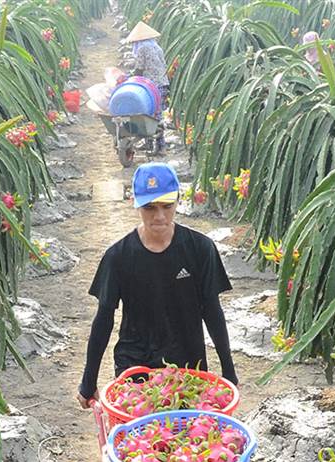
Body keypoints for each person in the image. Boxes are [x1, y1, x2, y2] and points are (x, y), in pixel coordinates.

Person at [77, 163, 238, 409]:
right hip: (135, 366)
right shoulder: (118, 257)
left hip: (188, 366)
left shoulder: (200, 249)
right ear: (136, 203)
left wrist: (229, 370)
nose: (159, 216)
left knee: (185, 438)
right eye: (150, 207)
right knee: (139, 440)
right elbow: (104, 318)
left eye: (167, 206)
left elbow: (212, 311)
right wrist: (88, 382)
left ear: (178, 201)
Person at [126, 20, 169, 153]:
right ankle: (159, 145)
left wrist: (131, 79)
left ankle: (153, 145)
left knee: (147, 113)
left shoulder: (142, 48)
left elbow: (139, 68)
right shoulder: (156, 46)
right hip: (162, 83)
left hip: (150, 86)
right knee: (157, 114)